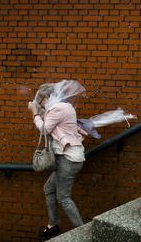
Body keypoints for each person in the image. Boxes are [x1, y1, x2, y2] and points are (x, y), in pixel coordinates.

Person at [28, 80, 87, 240]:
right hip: (67, 158)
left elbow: (44, 129)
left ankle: (83, 232)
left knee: (64, 197)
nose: (39, 104)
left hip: (69, 160)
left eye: (40, 101)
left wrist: (34, 113)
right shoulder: (64, 106)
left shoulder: (58, 108)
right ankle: (53, 224)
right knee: (49, 188)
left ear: (46, 98)